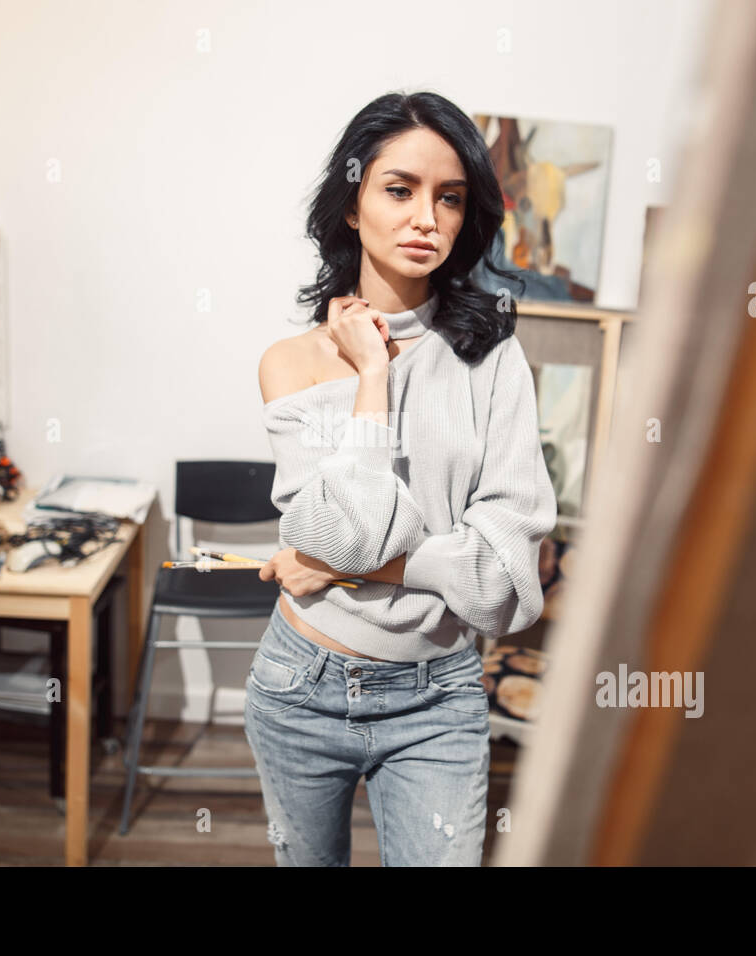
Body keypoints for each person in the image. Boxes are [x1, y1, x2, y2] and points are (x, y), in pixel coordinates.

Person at [247, 89, 557, 866]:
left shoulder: (494, 358)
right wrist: (373, 377)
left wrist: (367, 566)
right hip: (299, 683)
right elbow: (340, 530)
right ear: (352, 206)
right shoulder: (290, 365)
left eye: (449, 199)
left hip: (439, 694)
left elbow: (506, 588)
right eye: (400, 190)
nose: (427, 218)